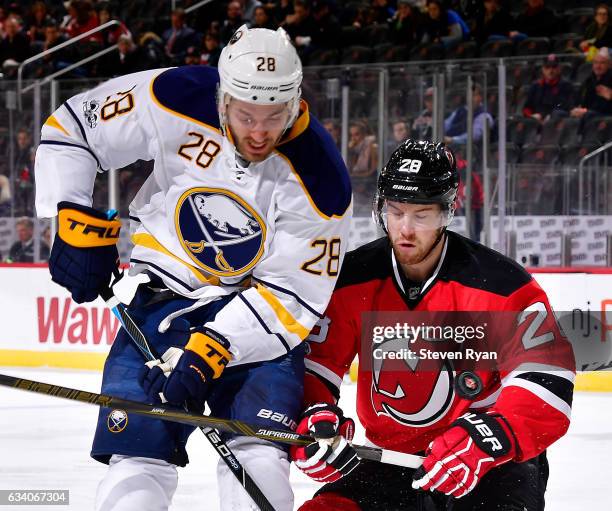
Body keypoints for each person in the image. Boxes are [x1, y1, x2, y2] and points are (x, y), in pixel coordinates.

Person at [34, 25, 352, 511]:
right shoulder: (176, 95)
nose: (261, 132)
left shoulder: (321, 177)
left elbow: (294, 296)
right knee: (137, 461)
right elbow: (73, 128)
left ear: (295, 100)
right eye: (246, 116)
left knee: (258, 457)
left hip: (255, 323)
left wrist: (213, 348)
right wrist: (73, 216)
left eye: (275, 116)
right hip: (159, 302)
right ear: (223, 97)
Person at [292, 140, 575, 510]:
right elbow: (315, 367)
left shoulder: (499, 285)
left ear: (447, 212)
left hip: (488, 465)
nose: (405, 229)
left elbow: (546, 377)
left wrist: (491, 437)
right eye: (395, 212)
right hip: (389, 459)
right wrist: (315, 417)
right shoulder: (353, 281)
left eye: (421, 215)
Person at [522, 54, 575, 122]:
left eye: (554, 67)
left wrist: (549, 116)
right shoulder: (535, 86)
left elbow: (568, 107)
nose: (551, 70)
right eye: (547, 67)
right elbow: (527, 108)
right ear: (543, 69)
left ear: (559, 69)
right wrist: (532, 116)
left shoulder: (566, 85)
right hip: (537, 122)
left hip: (557, 122)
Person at [571, 47, 612, 120]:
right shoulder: (589, 80)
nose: (598, 66)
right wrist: (577, 108)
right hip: (588, 113)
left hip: (605, 117)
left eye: (602, 63)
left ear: (609, 65)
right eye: (596, 62)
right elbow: (579, 98)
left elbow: (603, 106)